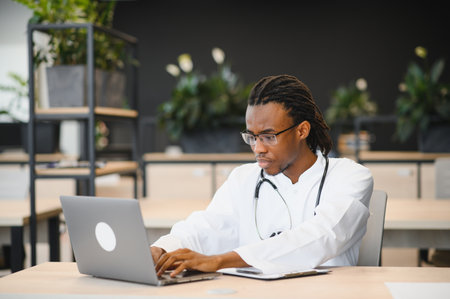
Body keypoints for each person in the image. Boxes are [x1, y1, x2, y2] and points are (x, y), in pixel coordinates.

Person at [151, 74, 374, 277]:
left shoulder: (351, 177)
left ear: (302, 131)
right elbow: (206, 227)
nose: (258, 148)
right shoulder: (243, 178)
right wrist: (161, 249)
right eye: (252, 137)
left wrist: (219, 261)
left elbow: (321, 238)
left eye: (269, 137)